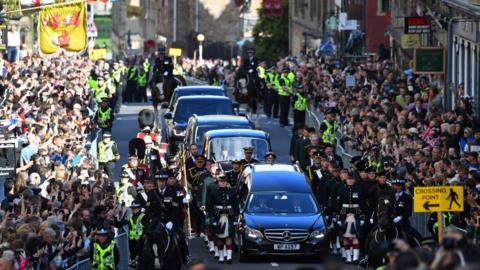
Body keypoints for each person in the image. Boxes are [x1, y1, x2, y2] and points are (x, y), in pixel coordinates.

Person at [206, 173, 239, 264]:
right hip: (218, 216)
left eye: (224, 181)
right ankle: (221, 256)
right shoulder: (214, 192)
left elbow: (236, 205)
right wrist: (212, 218)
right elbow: (209, 206)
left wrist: (236, 218)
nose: (223, 183)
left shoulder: (232, 191)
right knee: (219, 238)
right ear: (218, 182)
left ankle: (229, 257)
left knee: (229, 237)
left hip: (229, 216)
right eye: (221, 181)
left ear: (226, 182)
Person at [336, 171, 365, 263]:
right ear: (346, 180)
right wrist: (338, 216)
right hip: (344, 214)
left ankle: (355, 258)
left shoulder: (359, 190)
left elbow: (362, 204)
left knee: (356, 236)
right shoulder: (341, 189)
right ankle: (348, 258)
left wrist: (363, 216)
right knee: (346, 237)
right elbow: (338, 204)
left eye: (352, 179)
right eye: (349, 179)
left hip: (356, 214)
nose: (350, 180)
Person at [128, 200, 147, 267]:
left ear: (139, 208)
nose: (134, 209)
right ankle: (133, 262)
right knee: (133, 255)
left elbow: (146, 228)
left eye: (135, 208)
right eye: (133, 208)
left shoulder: (143, 216)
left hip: (140, 240)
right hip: (132, 239)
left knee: (141, 257)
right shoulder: (130, 216)